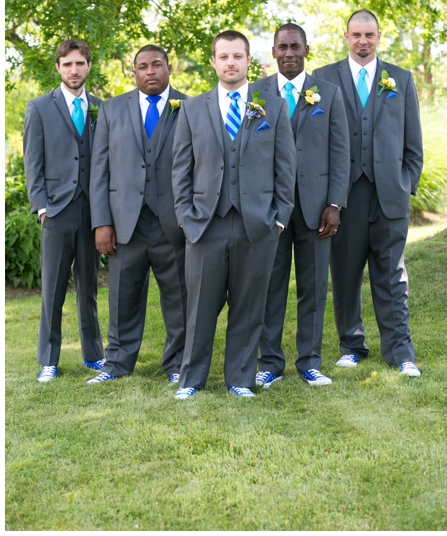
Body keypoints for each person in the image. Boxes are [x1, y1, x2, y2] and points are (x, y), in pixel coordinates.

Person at [171, 30, 296, 399]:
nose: (230, 63)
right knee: (199, 309)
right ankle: (191, 380)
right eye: (223, 57)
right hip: (205, 224)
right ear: (213, 61)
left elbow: (285, 167)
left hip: (256, 224)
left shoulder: (272, 107)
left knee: (248, 305)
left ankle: (240, 379)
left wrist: (277, 219)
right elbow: (180, 169)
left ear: (248, 61)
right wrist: (187, 218)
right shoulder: (193, 108)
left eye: (237, 56)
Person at [312, 10, 424, 376]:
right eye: (357, 34)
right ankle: (352, 345)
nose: (363, 41)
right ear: (345, 36)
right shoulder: (322, 79)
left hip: (389, 192)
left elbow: (413, 143)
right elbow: (314, 140)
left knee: (391, 274)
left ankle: (400, 351)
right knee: (344, 272)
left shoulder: (401, 79)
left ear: (379, 37)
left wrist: (406, 183)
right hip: (341, 196)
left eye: (370, 34)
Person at [250, 23, 350, 388]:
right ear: (273, 52)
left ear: (308, 50)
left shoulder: (328, 93)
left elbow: (341, 153)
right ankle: (269, 362)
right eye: (282, 47)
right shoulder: (255, 93)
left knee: (313, 287)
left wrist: (335, 203)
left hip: (316, 208)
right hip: (270, 209)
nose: (289, 53)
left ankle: (309, 361)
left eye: (296, 46)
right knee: (268, 287)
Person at [88, 45, 188, 384]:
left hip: (173, 223)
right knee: (122, 297)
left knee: (179, 298)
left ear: (169, 68)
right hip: (124, 222)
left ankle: (177, 364)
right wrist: (101, 221)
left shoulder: (190, 107)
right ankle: (116, 363)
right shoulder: (112, 109)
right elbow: (99, 169)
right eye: (142, 66)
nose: (150, 71)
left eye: (157, 65)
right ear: (135, 72)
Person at [23, 39, 105, 382]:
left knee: (90, 288)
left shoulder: (102, 107)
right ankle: (49, 359)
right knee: (53, 289)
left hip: (93, 212)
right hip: (56, 212)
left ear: (88, 67)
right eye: (68, 64)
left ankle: (94, 355)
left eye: (80, 63)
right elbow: (33, 163)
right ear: (58, 67)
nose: (74, 70)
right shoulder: (40, 108)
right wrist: (42, 208)